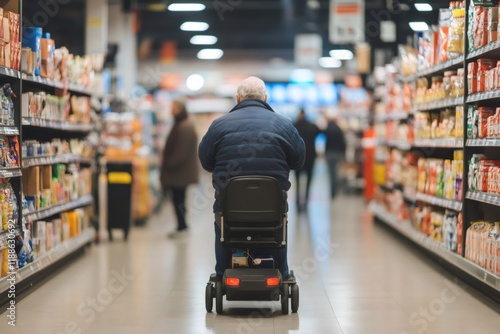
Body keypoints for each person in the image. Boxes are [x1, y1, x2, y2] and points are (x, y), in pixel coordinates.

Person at [198, 76, 305, 279]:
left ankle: (222, 273)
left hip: (230, 208)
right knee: (277, 227)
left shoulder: (219, 125)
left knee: (222, 225)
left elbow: (205, 162)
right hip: (272, 208)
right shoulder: (284, 125)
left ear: (238, 98)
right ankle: (280, 272)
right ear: (265, 98)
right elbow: (299, 161)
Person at [160, 99, 199, 238]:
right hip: (180, 172)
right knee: (178, 199)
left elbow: (181, 152)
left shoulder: (184, 126)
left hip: (180, 172)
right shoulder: (182, 124)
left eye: (173, 107)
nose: (171, 110)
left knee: (179, 200)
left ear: (180, 109)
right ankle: (181, 226)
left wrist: (168, 163)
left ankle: (182, 227)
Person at [293, 108, 320, 211]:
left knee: (298, 180)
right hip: (311, 157)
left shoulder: (294, 125)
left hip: (298, 157)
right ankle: (307, 201)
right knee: (309, 180)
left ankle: (297, 202)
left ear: (299, 114)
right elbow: (319, 132)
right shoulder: (312, 126)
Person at [323, 115, 346, 199]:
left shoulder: (328, 129)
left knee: (331, 172)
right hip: (337, 153)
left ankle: (332, 191)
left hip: (329, 153)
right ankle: (335, 189)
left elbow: (326, 141)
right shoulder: (338, 129)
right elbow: (342, 142)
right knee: (335, 172)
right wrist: (343, 153)